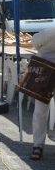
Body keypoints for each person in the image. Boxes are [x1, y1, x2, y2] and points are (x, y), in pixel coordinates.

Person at [29, 27, 55, 160]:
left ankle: (38, 145)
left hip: (45, 70)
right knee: (40, 110)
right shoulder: (51, 31)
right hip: (45, 71)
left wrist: (42, 50)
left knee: (40, 110)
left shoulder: (50, 31)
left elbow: (34, 41)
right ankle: (38, 145)